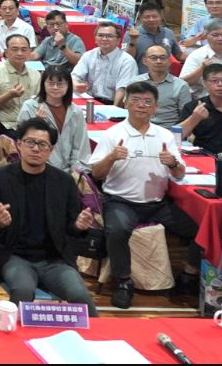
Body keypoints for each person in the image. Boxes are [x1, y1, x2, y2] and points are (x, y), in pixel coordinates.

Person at [89, 80, 199, 309]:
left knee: (198, 229)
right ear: (126, 104)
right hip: (120, 201)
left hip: (157, 204)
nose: (142, 105)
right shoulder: (113, 134)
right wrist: (111, 157)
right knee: (117, 231)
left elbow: (180, 174)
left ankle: (188, 277)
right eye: (136, 100)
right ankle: (123, 282)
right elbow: (96, 174)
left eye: (148, 102)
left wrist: (173, 163)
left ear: (156, 107)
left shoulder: (165, 135)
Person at [0, 117, 100, 313]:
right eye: (30, 142)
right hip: (15, 256)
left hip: (55, 259)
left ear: (51, 150)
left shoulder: (64, 182)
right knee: (22, 291)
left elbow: (71, 229)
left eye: (43, 144)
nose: (36, 149)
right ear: (19, 144)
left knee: (80, 296)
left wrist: (79, 226)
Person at [18, 66, 90, 171]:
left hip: (68, 171)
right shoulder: (30, 106)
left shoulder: (75, 111)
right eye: (51, 83)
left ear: (68, 86)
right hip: (39, 168)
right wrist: (36, 122)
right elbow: (22, 139)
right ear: (43, 84)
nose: (55, 87)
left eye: (60, 84)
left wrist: (76, 172)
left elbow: (80, 147)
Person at [117, 46, 193, 127]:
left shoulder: (181, 85)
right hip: (138, 127)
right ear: (144, 61)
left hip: (168, 130)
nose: (158, 61)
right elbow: (128, 108)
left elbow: (186, 116)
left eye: (163, 58)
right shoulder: (135, 82)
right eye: (153, 58)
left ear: (169, 61)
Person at [0, 34, 41, 131]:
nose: (19, 53)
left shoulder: (36, 74)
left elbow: (40, 100)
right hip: (6, 125)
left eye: (24, 49)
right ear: (6, 52)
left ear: (30, 52)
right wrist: (9, 95)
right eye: (15, 49)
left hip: (31, 124)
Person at [71, 22, 138, 103]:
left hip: (111, 103)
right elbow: (74, 76)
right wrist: (76, 85)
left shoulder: (127, 61)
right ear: (95, 38)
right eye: (100, 35)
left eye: (109, 36)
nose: (104, 39)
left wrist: (114, 108)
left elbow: (122, 90)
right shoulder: (88, 55)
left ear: (118, 40)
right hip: (90, 100)